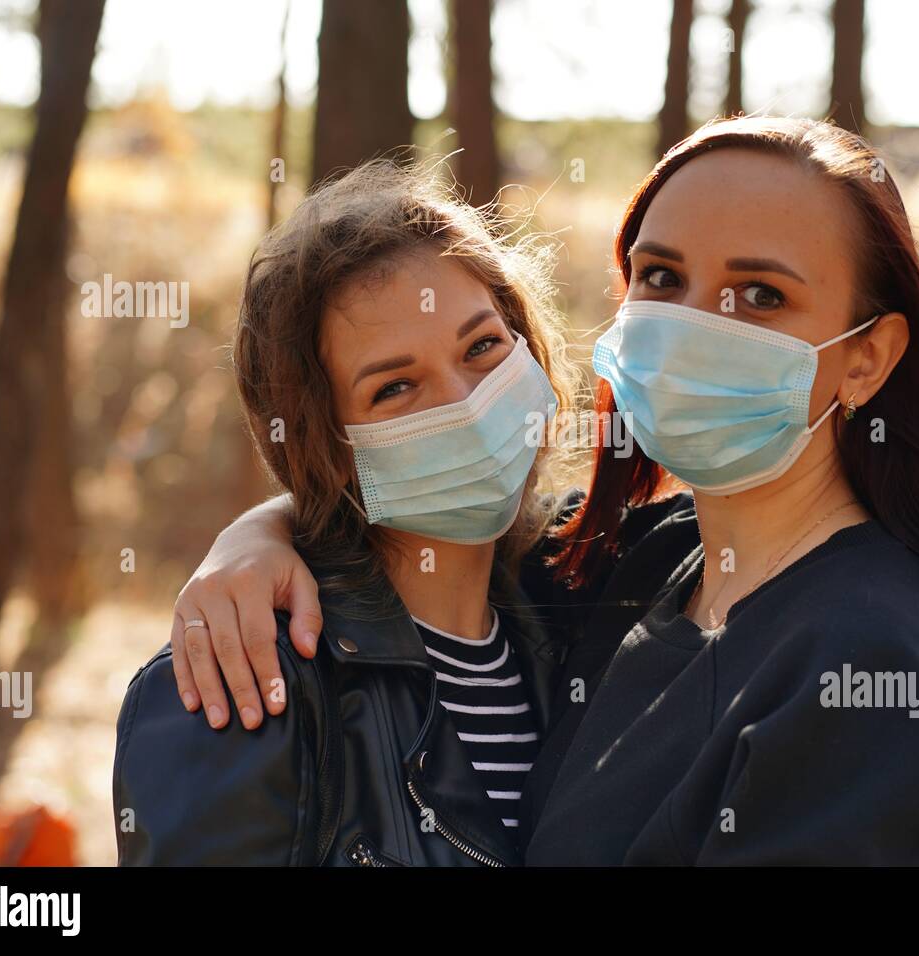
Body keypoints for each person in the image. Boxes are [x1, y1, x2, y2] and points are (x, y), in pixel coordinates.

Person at [163, 117, 919, 865]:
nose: (694, 326)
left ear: (867, 357)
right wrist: (262, 536)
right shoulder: (637, 566)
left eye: (760, 295)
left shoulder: (867, 665)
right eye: (661, 278)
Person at [114, 158, 589, 865]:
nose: (465, 401)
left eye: (483, 346)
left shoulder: (585, 599)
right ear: (329, 447)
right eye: (395, 388)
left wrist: (262, 524)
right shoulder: (247, 677)